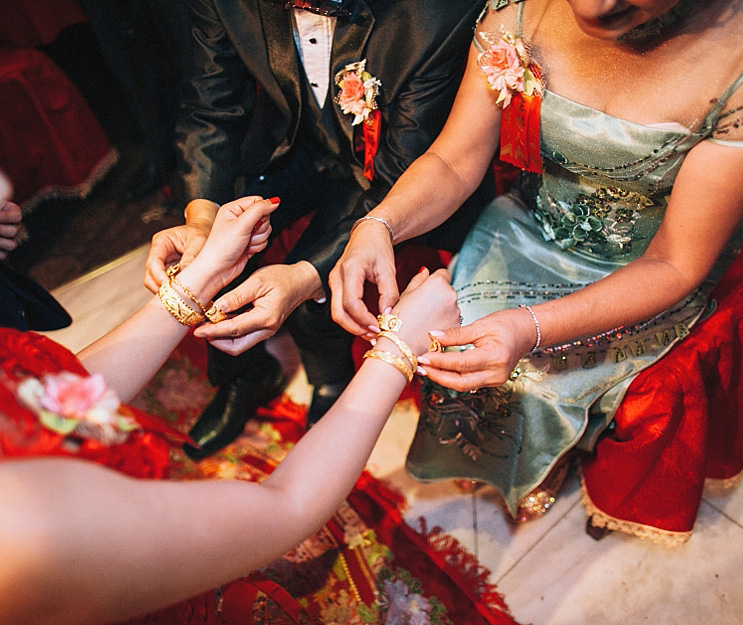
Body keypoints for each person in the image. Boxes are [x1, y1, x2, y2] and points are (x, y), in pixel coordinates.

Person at [0, 2, 468, 625]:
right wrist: (399, 348)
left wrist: (194, 283)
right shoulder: (7, 535)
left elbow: (53, 403)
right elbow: (285, 508)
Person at [329, 0, 743, 537]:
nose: (597, 6)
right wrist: (379, 224)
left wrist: (528, 328)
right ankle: (491, 453)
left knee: (540, 381)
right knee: (455, 337)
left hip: (646, 265)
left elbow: (676, 260)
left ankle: (555, 452)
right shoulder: (514, 8)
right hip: (529, 224)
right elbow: (455, 159)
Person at [144, 0, 496, 457]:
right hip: (295, 148)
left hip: (390, 170)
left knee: (313, 271)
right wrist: (203, 220)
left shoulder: (433, 16)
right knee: (210, 253)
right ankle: (246, 375)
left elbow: (409, 170)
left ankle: (330, 381)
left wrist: (303, 275)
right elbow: (211, 110)